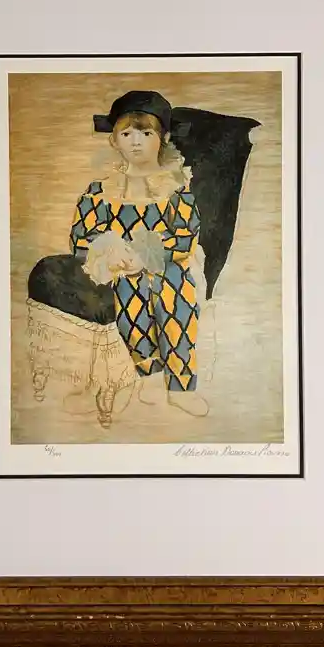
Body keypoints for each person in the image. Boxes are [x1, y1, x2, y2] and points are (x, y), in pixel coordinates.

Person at [69, 90, 209, 417]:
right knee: (129, 304)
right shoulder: (101, 190)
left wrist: (147, 256)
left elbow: (186, 235)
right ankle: (148, 375)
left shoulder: (177, 188)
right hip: (118, 268)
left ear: (164, 138)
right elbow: (81, 236)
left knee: (174, 300)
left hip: (167, 265)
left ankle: (181, 387)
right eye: (126, 134)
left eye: (146, 134)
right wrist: (112, 251)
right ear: (114, 140)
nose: (135, 142)